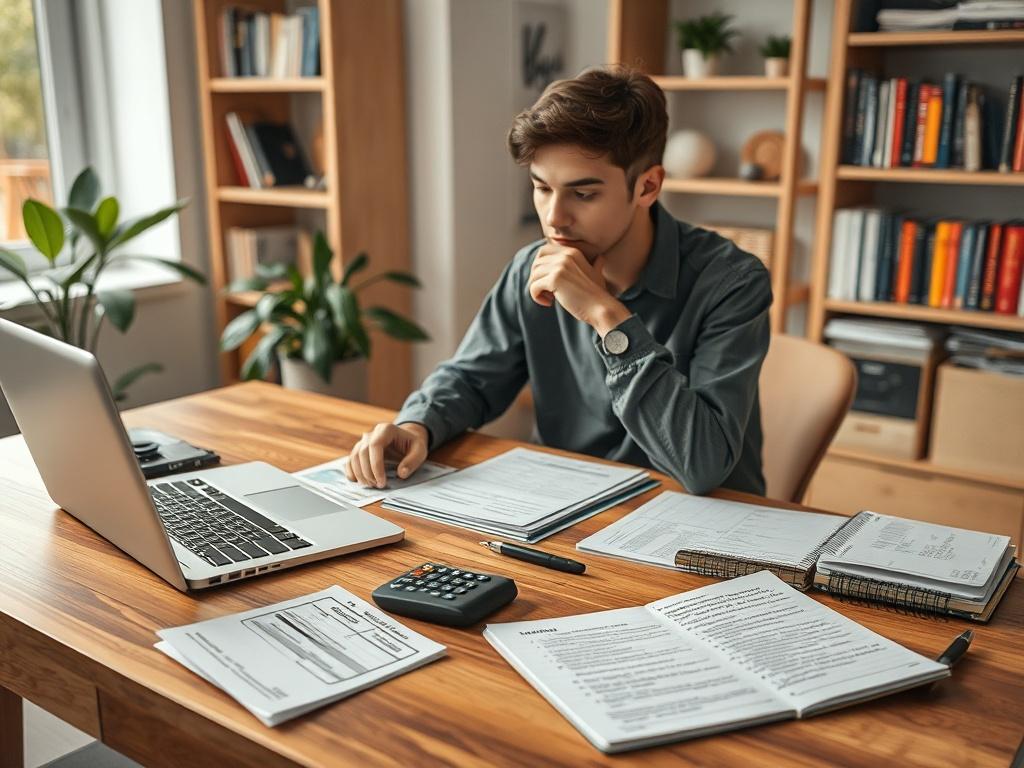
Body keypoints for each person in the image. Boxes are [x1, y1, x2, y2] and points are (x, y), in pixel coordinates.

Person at [345, 66, 772, 496]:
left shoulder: (732, 283)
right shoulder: (531, 267)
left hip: (702, 528)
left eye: (583, 194)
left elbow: (702, 465)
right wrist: (416, 425)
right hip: (565, 511)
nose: (553, 217)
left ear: (647, 187)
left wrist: (608, 318)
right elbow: (471, 379)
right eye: (542, 188)